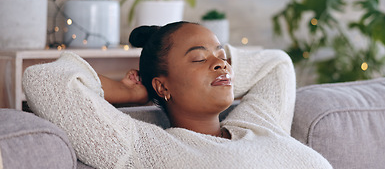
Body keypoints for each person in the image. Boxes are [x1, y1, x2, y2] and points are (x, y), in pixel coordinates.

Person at [23, 21, 332, 168]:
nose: (220, 63)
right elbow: (44, 80)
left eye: (221, 55)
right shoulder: (147, 148)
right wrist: (125, 91)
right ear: (162, 86)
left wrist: (218, 68)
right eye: (199, 58)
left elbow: (276, 63)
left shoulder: (259, 122)